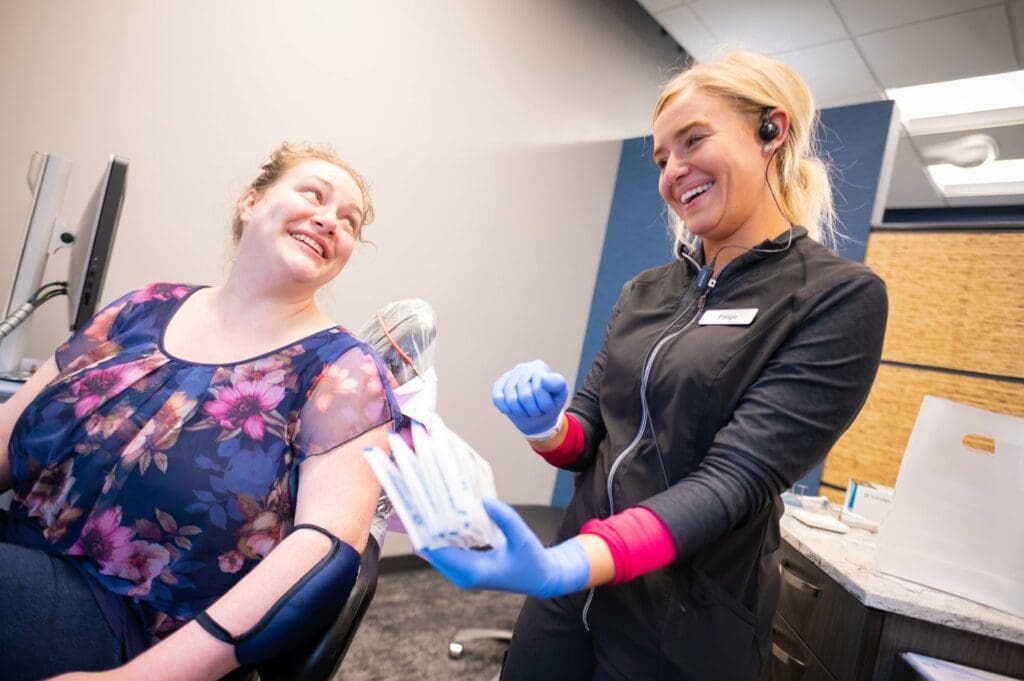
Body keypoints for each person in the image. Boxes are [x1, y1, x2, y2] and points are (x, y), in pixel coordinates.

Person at [422, 51, 889, 680]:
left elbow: (733, 481)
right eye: (662, 158)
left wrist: (572, 561)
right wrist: (546, 427)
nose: (673, 171)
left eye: (693, 140)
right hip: (574, 589)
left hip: (688, 611)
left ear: (771, 130)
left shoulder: (835, 297)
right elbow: (589, 437)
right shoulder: (645, 291)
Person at [0, 143, 402, 680]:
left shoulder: (344, 372)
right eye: (313, 195)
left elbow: (324, 553)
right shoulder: (144, 306)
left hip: (134, 633)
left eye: (350, 222)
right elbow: (9, 432)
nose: (331, 220)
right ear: (250, 202)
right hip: (23, 550)